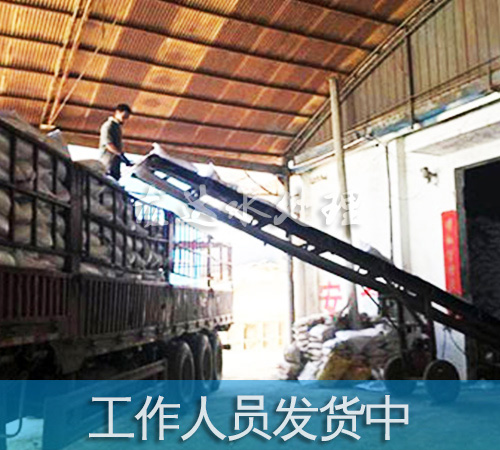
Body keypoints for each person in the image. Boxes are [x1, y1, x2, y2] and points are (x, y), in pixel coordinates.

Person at [99, 104, 133, 180]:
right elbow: (108, 144)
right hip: (108, 164)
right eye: (123, 117)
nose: (124, 120)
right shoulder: (108, 126)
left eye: (126, 118)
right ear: (117, 112)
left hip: (115, 164)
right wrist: (121, 155)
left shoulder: (117, 127)